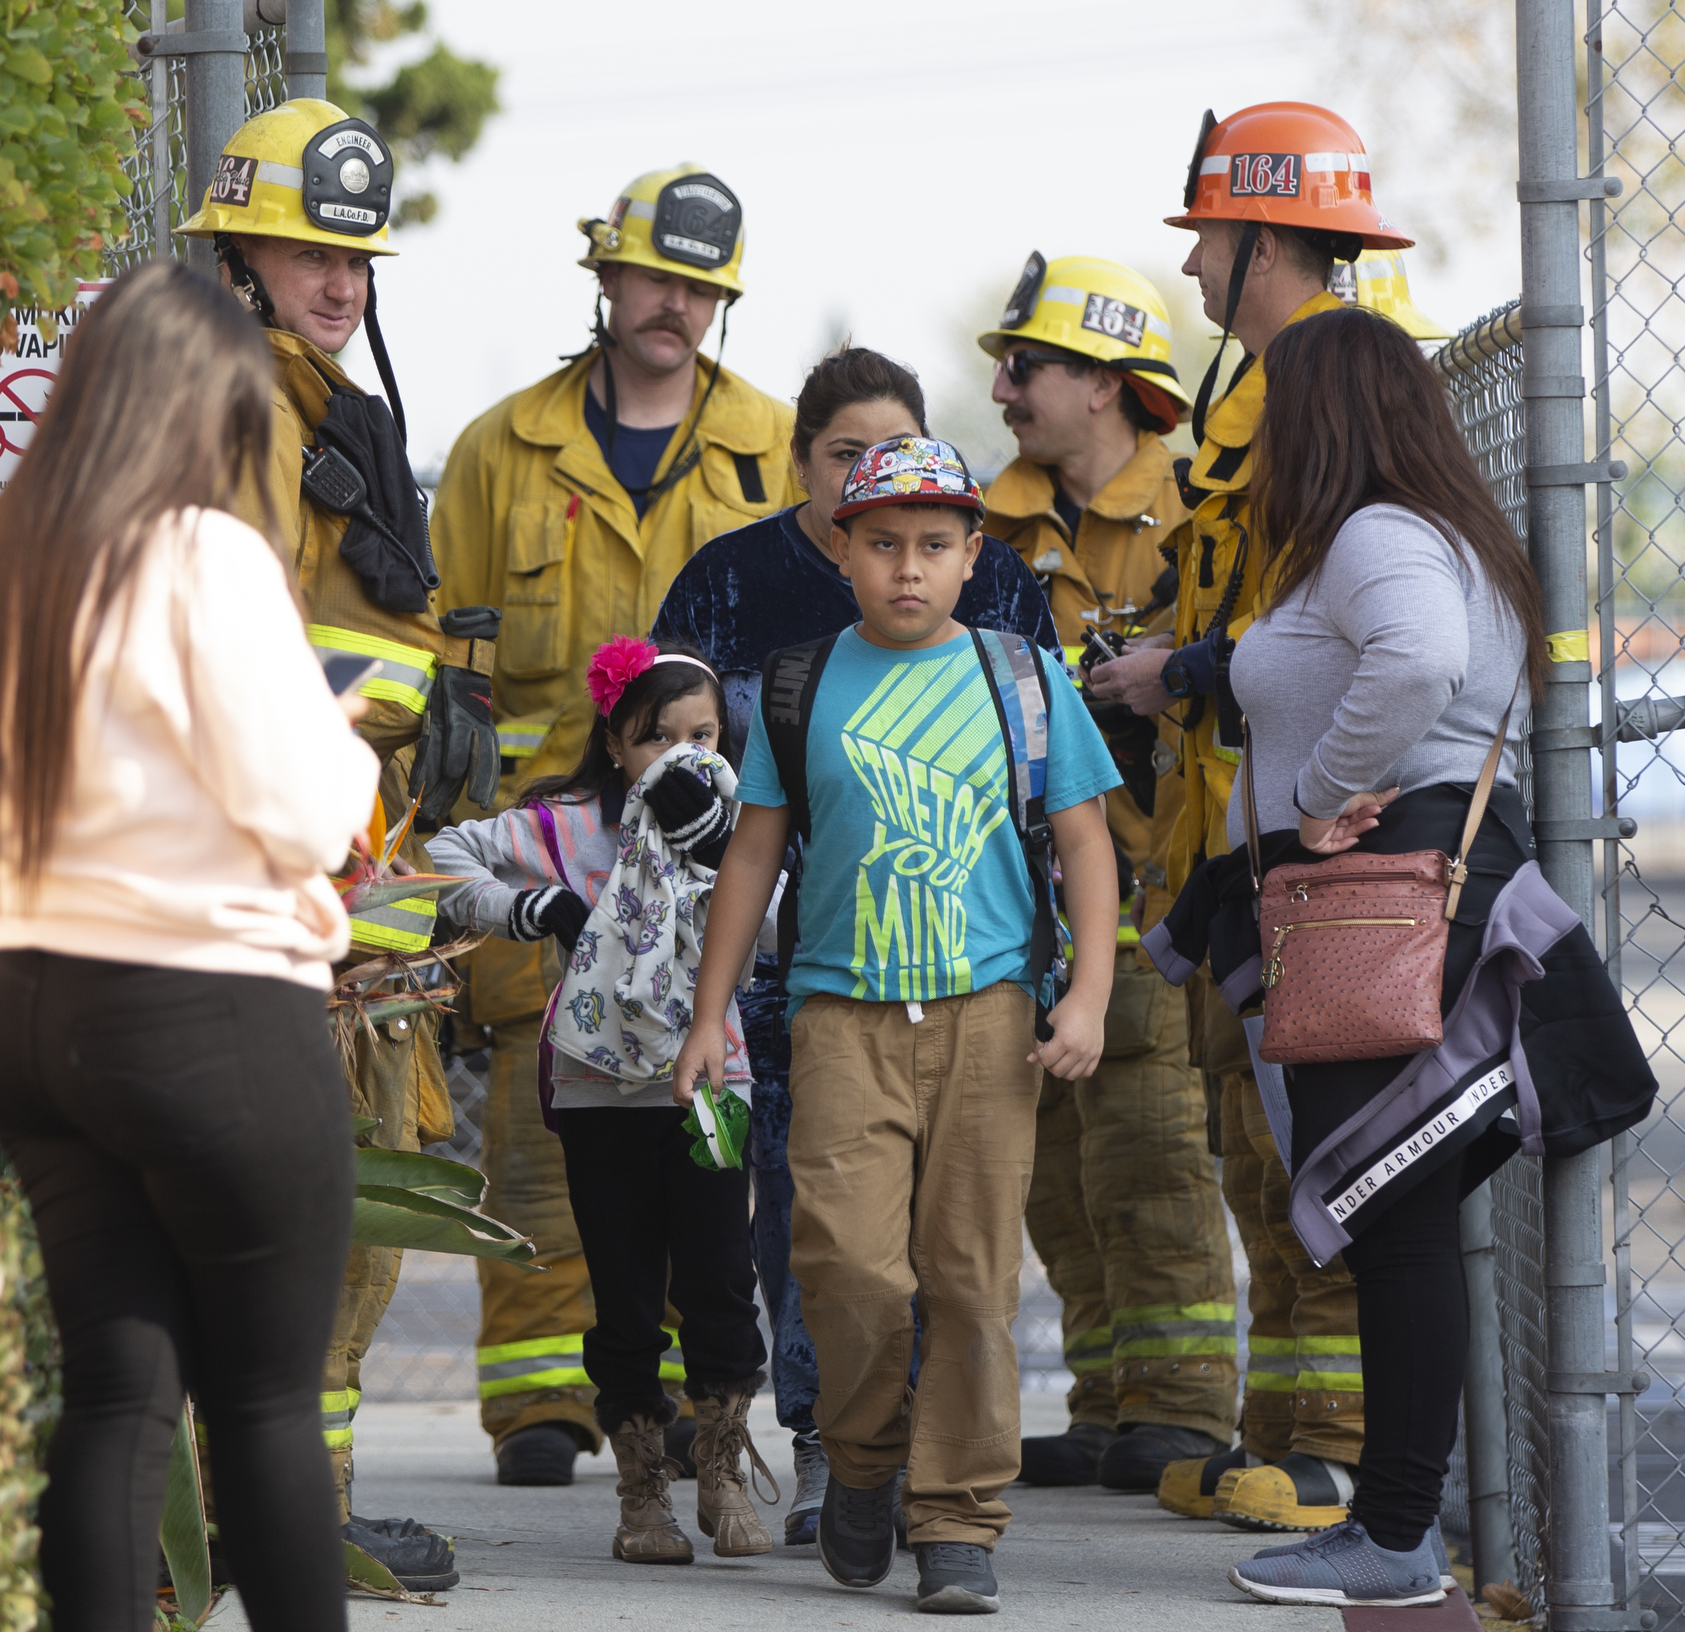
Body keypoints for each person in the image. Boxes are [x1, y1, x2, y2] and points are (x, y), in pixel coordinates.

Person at [1138, 308, 1654, 1606]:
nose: (1257, 437)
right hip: (1387, 910)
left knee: (1402, 1228)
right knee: (1400, 1225)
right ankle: (1398, 1522)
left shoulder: (1377, 536)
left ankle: (1395, 1530)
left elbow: (1417, 663)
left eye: (1275, 408)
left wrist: (1320, 788)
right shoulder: (1420, 532)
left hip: (1383, 909)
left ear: (1327, 417)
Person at [0, 260, 381, 1632]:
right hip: (212, 1010)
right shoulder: (199, 557)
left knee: (117, 1396)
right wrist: (345, 753)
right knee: (268, 1403)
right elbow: (301, 804)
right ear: (202, 414)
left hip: (37, 1005)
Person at [674, 434, 1123, 1616]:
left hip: (988, 1016)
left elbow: (1084, 842)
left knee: (969, 1281)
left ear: (974, 557)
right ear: (843, 549)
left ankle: (958, 1517)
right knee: (850, 1269)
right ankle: (866, 1464)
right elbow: (755, 853)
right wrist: (709, 1014)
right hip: (840, 1014)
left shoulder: (1022, 676)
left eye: (934, 546)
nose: (907, 568)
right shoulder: (799, 681)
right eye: (882, 545)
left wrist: (1087, 995)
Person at [428, 164, 797, 1488]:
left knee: (707, 1179)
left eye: (702, 286)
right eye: (655, 277)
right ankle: (542, 1405)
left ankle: (706, 1416)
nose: (676, 305)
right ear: (604, 274)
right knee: (543, 1162)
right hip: (563, 862)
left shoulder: (774, 443)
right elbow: (447, 681)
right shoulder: (496, 451)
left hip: (717, 884)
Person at [1079, 100, 1409, 1533]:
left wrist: (1190, 673)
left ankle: (1333, 1440)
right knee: (1254, 1151)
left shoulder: (1322, 403)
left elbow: (1341, 630)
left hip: (1302, 844)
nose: (1195, 263)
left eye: (1208, 235)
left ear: (1260, 238)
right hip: (1236, 839)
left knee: (1307, 1152)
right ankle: (1282, 1432)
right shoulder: (1249, 402)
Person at [176, 97, 465, 1591]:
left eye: (354, 254)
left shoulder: (331, 405)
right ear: (238, 254)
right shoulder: (234, 405)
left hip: (356, 875)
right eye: (307, 250)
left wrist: (432, 703)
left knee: (355, 1216)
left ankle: (306, 1500)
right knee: (293, 1217)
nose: (341, 280)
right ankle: (255, 1510)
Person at [972, 254, 1242, 1493]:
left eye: (1024, 366)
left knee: (1151, 1155)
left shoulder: (1194, 513)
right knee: (1057, 1181)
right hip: (1018, 910)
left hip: (1149, 897)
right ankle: (1106, 1400)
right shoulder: (981, 526)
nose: (1003, 386)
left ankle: (1182, 1406)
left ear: (1103, 383)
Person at [427, 639, 776, 1564]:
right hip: (595, 1095)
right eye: (656, 737)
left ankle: (723, 1471)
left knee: (721, 1277)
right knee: (621, 1292)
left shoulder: (743, 821)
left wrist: (721, 851)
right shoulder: (567, 825)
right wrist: (526, 910)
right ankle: (641, 1498)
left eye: (703, 733)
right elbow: (442, 854)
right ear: (615, 741)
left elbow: (783, 922)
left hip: (715, 1086)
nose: (682, 753)